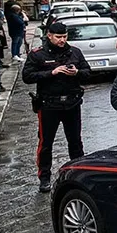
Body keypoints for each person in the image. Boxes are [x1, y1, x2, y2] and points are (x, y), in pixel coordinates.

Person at [23, 22, 90, 192]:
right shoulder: (38, 54)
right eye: (58, 37)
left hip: (72, 103)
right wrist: (51, 72)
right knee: (46, 143)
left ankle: (78, 173)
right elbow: (27, 76)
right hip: (48, 104)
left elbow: (88, 72)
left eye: (64, 37)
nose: (62, 40)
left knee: (75, 141)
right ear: (49, 36)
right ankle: (44, 177)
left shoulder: (74, 52)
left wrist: (77, 72)